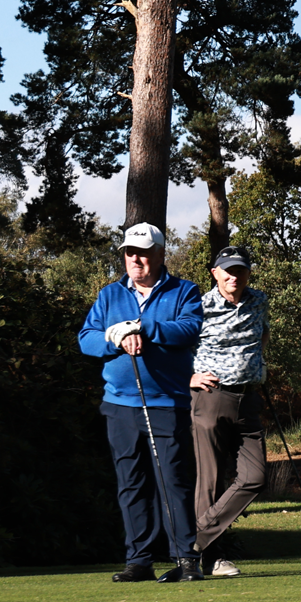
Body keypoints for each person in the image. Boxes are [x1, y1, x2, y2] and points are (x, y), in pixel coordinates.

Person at [78, 223, 206, 582]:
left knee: (174, 481)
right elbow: (86, 339)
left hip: (167, 402)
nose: (136, 259)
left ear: (160, 254)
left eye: (144, 252)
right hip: (119, 405)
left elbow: (188, 329)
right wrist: (114, 337)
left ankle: (186, 559)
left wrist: (142, 328)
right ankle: (140, 560)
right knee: (131, 484)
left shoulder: (184, 291)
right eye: (130, 252)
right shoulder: (109, 295)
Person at [188, 245, 271, 577]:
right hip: (210, 397)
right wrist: (187, 377)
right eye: (227, 270)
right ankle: (212, 558)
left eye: (240, 270)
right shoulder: (198, 305)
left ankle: (193, 541)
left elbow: (263, 334)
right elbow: (174, 344)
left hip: (249, 400)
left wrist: (258, 366)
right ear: (215, 273)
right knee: (208, 482)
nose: (234, 276)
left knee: (255, 477)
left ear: (248, 273)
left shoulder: (259, 300)